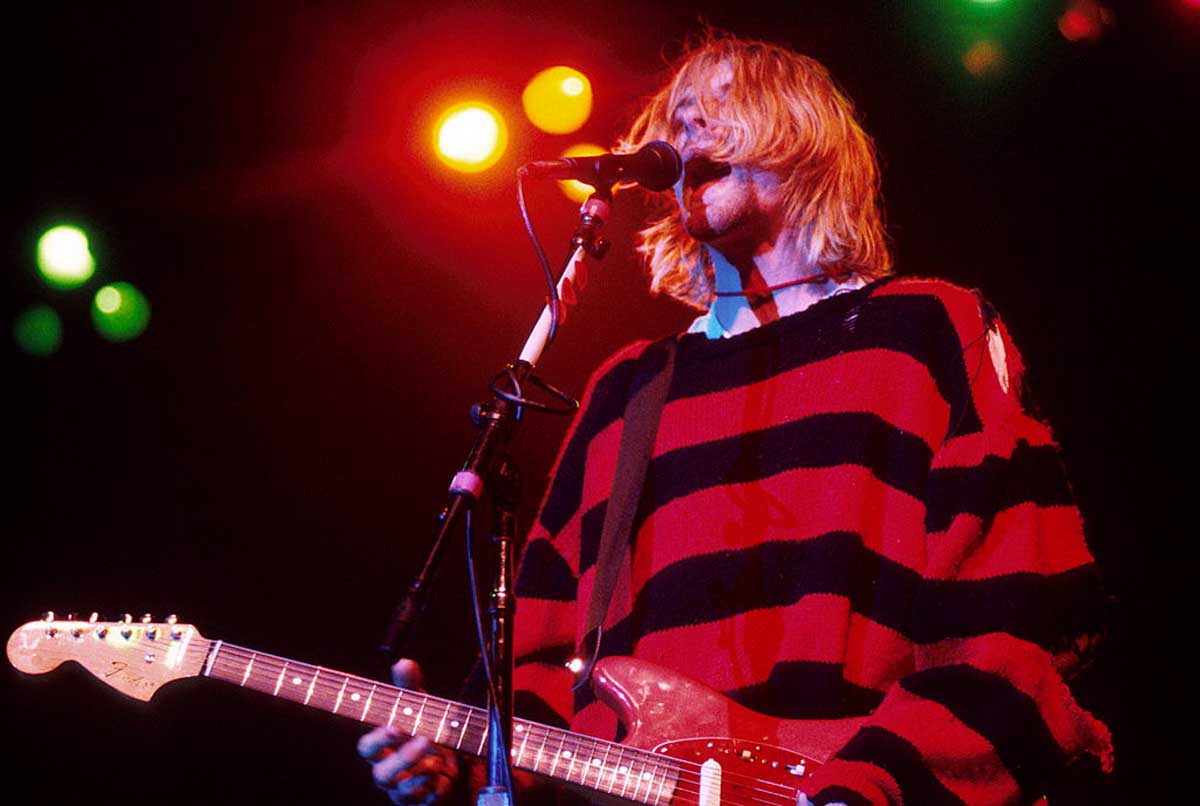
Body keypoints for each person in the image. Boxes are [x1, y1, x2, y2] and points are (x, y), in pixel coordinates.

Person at [358, 33, 1112, 806]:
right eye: (675, 120)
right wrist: (468, 761)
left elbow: (1015, 618)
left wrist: (873, 787)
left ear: (805, 134)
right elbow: (546, 673)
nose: (685, 135)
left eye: (720, 109)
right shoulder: (629, 392)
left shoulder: (924, 333)